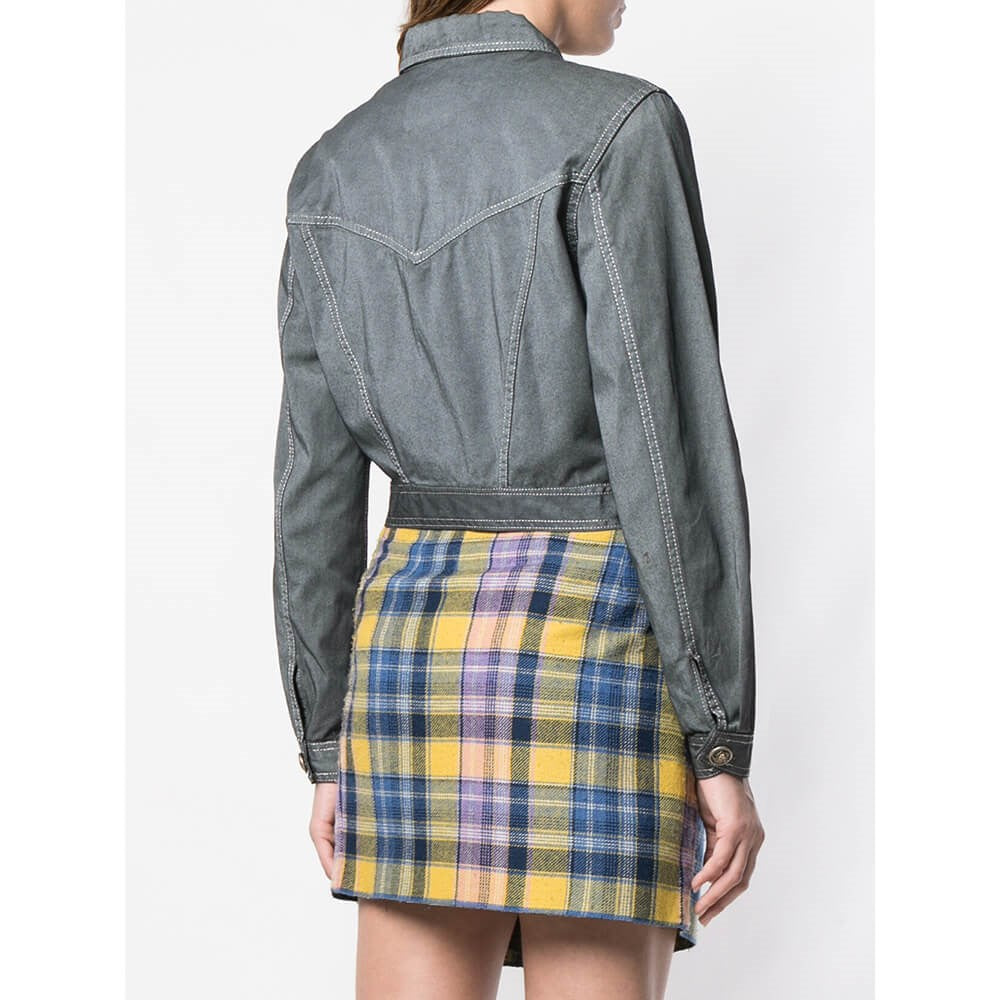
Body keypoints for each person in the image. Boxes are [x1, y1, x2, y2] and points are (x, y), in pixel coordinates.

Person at [271, 2, 765, 997]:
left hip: (411, 651)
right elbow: (664, 449)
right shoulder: (619, 124)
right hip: (593, 636)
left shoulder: (334, 162)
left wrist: (326, 742)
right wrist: (717, 737)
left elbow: (310, 487)